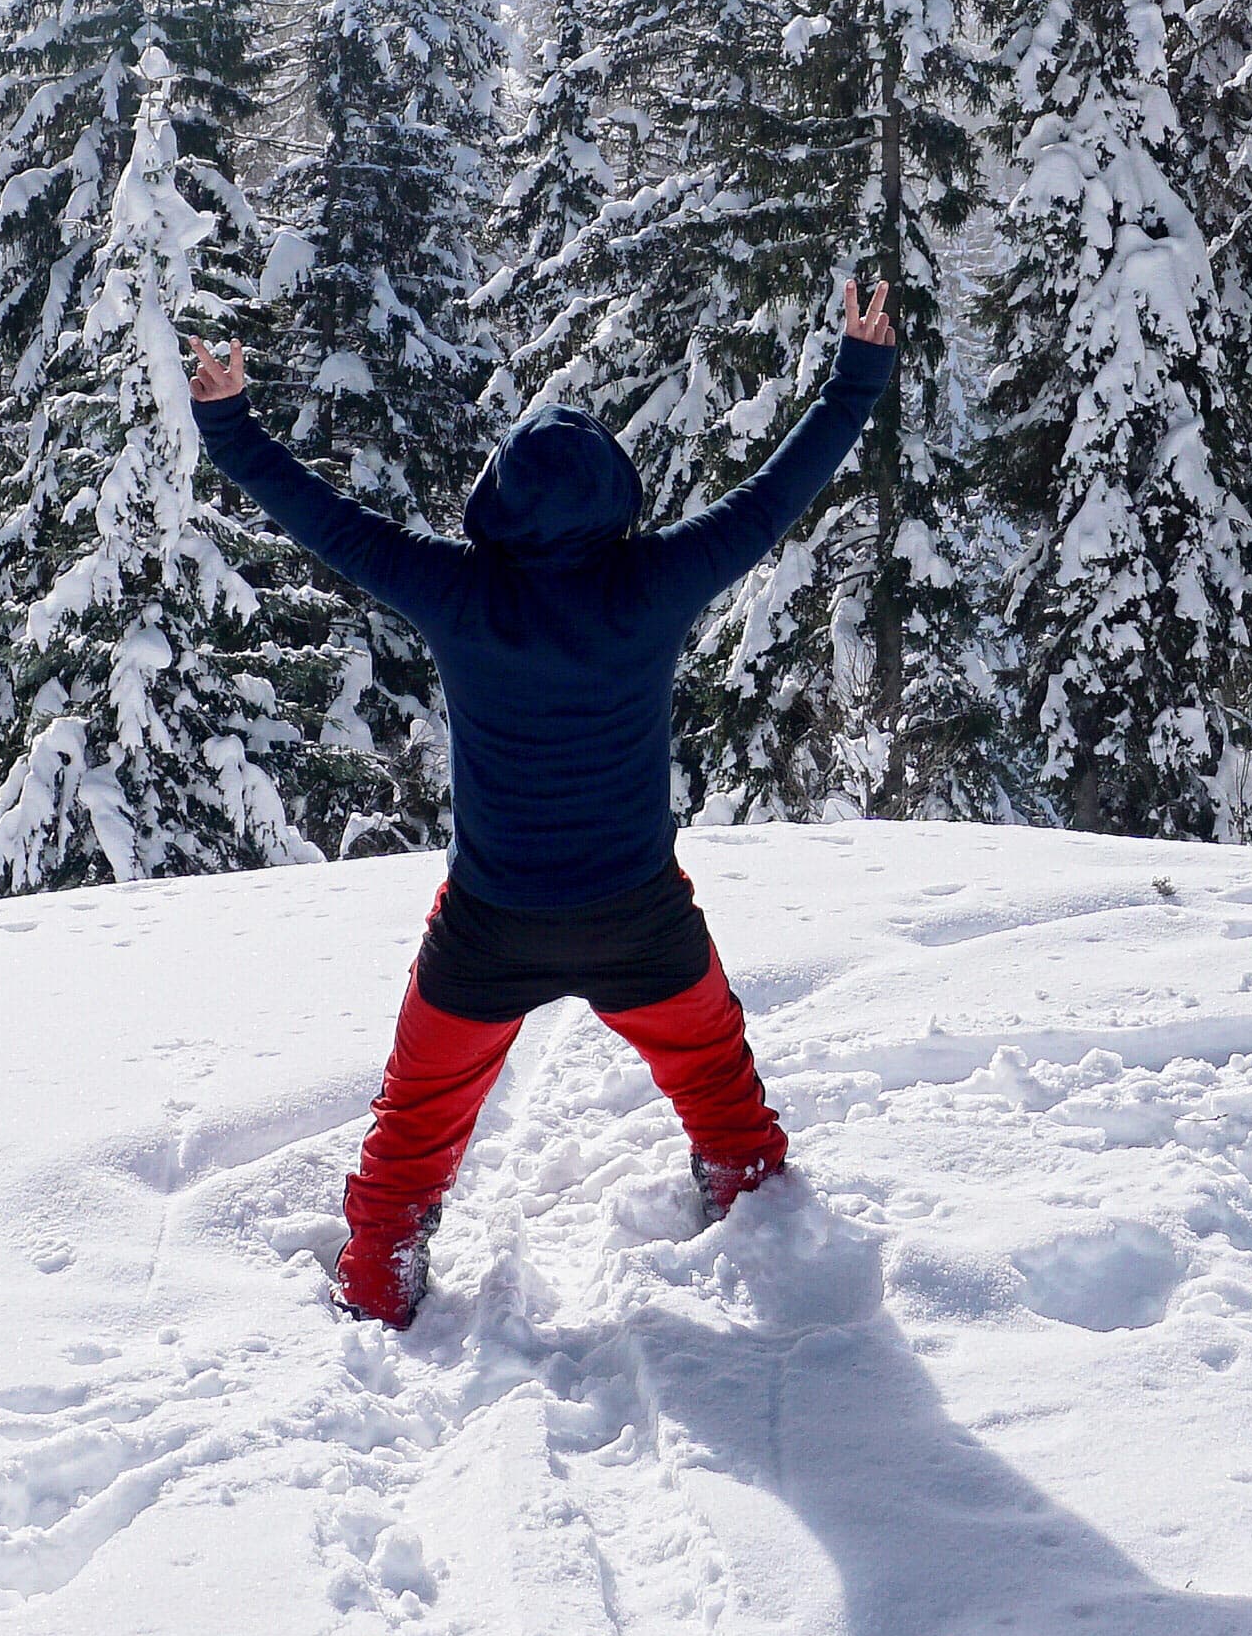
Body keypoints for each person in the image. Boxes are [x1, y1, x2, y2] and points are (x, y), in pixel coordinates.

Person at [186, 281, 901, 1326]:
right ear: (618, 492)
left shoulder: (457, 590)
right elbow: (777, 492)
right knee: (720, 1086)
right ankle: (755, 1211)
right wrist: (856, 371)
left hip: (490, 924)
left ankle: (380, 1273)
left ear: (495, 499)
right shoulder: (657, 581)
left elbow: (325, 521)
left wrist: (230, 420)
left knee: (414, 1122)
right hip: (638, 916)